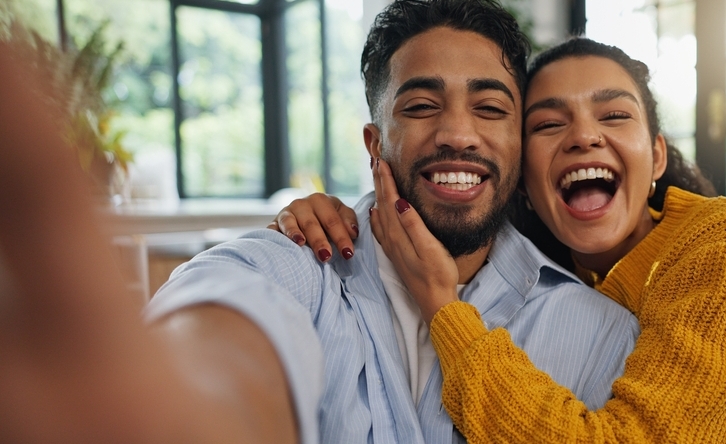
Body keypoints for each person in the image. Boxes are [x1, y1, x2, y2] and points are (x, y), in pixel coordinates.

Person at [0, 2, 639, 443]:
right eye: (420, 105)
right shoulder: (298, 261)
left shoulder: (602, 333)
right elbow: (231, 324)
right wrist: (195, 408)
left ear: (519, 140)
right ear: (373, 143)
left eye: (490, 107)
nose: (456, 133)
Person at [275, 39, 726, 442]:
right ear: (522, 180)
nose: (584, 136)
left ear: (653, 156)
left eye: (613, 115)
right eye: (548, 123)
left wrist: (448, 313)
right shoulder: (551, 276)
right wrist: (335, 214)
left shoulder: (723, 246)